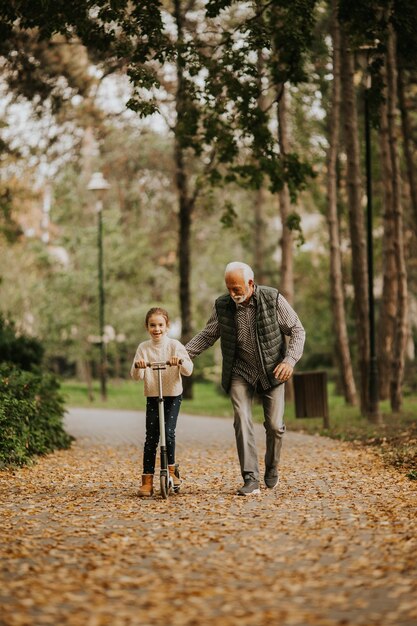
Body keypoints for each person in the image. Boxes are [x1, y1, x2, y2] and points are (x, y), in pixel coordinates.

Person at [185, 262, 305, 496]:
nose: (232, 294)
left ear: (251, 284)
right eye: (229, 288)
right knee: (241, 418)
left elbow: (297, 330)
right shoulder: (223, 306)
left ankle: (272, 467)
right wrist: (181, 354)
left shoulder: (273, 299)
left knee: (274, 426)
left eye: (237, 288)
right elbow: (208, 334)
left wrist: (289, 360)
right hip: (240, 370)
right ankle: (250, 478)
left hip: (272, 370)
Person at [131, 307, 193, 497]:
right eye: (152, 325)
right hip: (152, 395)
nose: (156, 329)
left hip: (173, 394)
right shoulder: (143, 348)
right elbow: (135, 376)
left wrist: (180, 361)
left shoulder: (174, 345)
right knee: (151, 437)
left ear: (167, 326)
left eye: (160, 325)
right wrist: (139, 366)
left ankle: (172, 471)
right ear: (147, 327)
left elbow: (189, 370)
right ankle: (147, 480)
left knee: (168, 432)